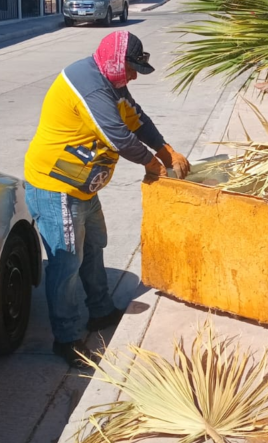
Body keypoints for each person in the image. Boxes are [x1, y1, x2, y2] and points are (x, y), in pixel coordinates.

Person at [24, 31, 190, 368]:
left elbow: (137, 118)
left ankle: (100, 310)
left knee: (94, 246)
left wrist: (166, 149)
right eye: (130, 70)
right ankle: (66, 338)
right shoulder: (88, 85)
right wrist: (153, 164)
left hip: (82, 187)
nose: (133, 78)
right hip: (57, 188)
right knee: (66, 263)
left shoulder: (111, 81)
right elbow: (119, 137)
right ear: (116, 63)